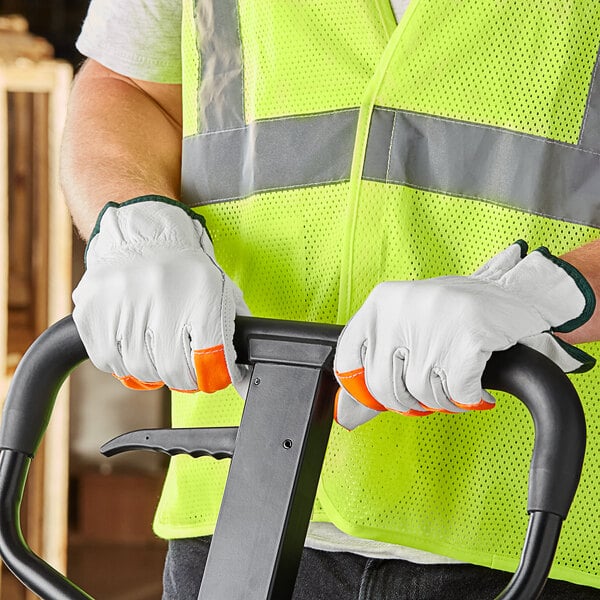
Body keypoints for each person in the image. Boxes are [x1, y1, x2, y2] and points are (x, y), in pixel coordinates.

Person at [61, 1, 600, 598]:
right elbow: (133, 87)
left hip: (548, 527)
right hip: (243, 509)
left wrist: (552, 292)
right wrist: (135, 223)